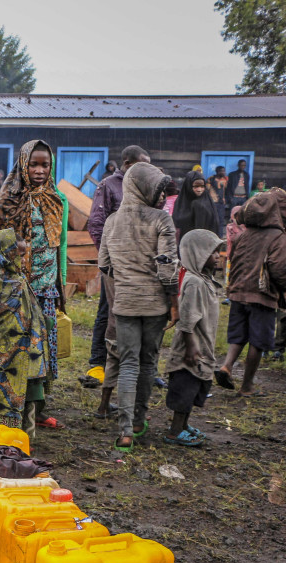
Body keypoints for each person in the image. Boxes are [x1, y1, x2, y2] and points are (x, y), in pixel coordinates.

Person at [0, 140, 69, 431]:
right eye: (33, 164)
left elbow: (57, 246)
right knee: (18, 351)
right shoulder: (8, 201)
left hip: (46, 289)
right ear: (22, 164)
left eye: (44, 164)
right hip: (18, 292)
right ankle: (14, 410)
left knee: (44, 351)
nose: (38, 170)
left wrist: (59, 287)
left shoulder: (55, 200)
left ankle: (38, 408)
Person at [100, 163, 179, 451]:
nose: (160, 196)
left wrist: (126, 278)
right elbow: (168, 267)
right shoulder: (161, 219)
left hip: (125, 304)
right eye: (157, 190)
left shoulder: (111, 222)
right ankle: (138, 421)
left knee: (128, 364)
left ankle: (124, 432)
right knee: (147, 363)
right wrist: (174, 303)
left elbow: (104, 265)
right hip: (155, 304)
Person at [0, 229, 49, 435]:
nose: (23, 260)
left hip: (24, 358)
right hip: (5, 361)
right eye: (18, 255)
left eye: (24, 255)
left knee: (26, 400)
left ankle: (20, 441)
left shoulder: (17, 280)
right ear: (3, 254)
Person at [216, 189, 286, 395]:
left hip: (238, 293)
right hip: (262, 296)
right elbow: (280, 269)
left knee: (238, 335)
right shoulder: (277, 236)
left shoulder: (245, 234)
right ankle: (247, 386)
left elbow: (234, 258)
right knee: (258, 341)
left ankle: (226, 366)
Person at [84, 145, 150, 389]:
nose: (145, 170)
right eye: (141, 165)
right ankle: (97, 364)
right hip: (113, 262)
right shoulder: (109, 185)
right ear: (127, 163)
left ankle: (135, 366)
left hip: (139, 262)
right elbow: (96, 223)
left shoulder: (143, 185)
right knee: (107, 310)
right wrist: (108, 257)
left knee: (137, 312)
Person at [165, 229, 224, 446]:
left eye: (218, 251)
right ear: (198, 254)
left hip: (202, 345)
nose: (217, 256)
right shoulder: (194, 282)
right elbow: (187, 318)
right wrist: (190, 347)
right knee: (185, 391)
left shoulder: (204, 279)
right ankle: (174, 431)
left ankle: (183, 426)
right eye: (212, 252)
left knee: (195, 388)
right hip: (191, 349)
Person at [172, 170, 222, 240]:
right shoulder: (181, 202)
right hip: (185, 244)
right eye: (196, 186)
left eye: (202, 186)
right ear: (189, 186)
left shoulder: (204, 202)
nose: (199, 190)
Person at [208, 165, 228, 233]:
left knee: (221, 219)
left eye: (224, 171)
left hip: (221, 202)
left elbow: (226, 190)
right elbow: (207, 189)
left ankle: (220, 235)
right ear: (217, 172)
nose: (224, 172)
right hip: (213, 201)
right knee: (212, 219)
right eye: (222, 171)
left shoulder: (225, 179)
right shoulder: (211, 179)